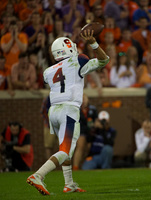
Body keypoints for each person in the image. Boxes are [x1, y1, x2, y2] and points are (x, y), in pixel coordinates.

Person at [26, 30, 109, 195]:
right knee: (65, 150)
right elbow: (104, 60)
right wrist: (93, 43)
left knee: (65, 148)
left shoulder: (48, 71)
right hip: (68, 109)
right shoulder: (78, 60)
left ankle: (69, 184)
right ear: (68, 48)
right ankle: (38, 175)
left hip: (53, 111)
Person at [72, 93, 98, 171]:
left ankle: (81, 165)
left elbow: (96, 120)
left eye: (85, 98)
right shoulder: (76, 109)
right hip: (80, 130)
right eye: (82, 99)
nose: (84, 101)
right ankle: (75, 167)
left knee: (87, 148)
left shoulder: (92, 109)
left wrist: (95, 125)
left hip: (90, 132)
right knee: (80, 147)